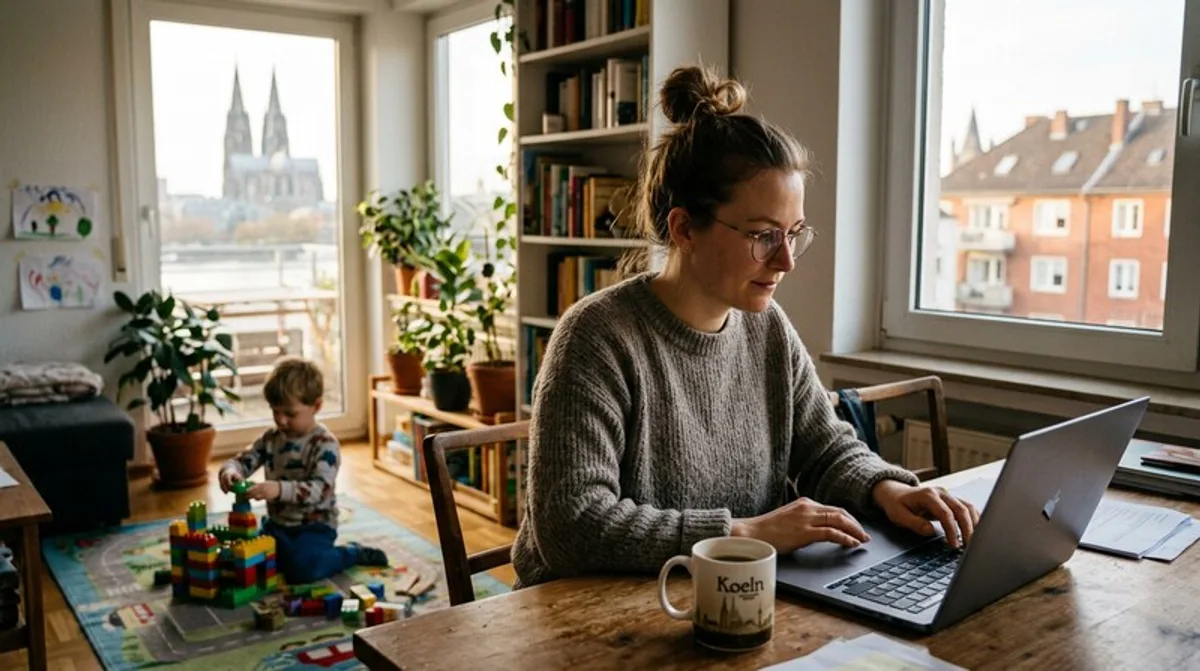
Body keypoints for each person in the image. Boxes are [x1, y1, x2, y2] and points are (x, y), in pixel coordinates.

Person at [511, 66, 980, 588]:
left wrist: (885, 489)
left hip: (729, 595)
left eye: (794, 234)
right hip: (585, 619)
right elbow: (570, 525)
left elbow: (823, 447)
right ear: (685, 229)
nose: (786, 261)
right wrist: (742, 533)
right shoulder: (597, 337)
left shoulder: (767, 329)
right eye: (763, 236)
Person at [218, 357, 388, 584]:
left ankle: (351, 553)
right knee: (245, 561)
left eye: (290, 413)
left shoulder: (324, 444)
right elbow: (243, 461)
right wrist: (230, 471)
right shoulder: (271, 439)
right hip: (277, 526)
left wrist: (278, 490)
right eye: (275, 411)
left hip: (314, 528)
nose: (281, 420)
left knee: (303, 570)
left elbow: (319, 489)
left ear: (316, 406)